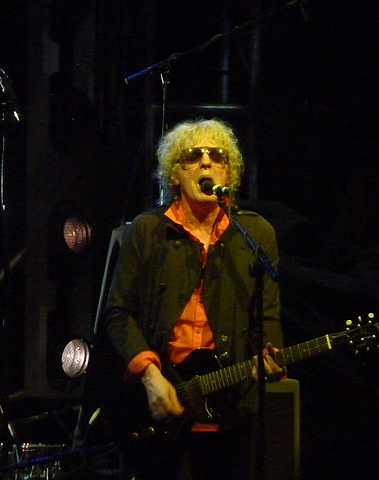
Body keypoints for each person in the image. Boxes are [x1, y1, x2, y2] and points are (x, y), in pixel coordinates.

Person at [102, 118, 285, 480]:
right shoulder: (147, 230)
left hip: (229, 404)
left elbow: (268, 316)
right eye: (192, 156)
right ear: (174, 174)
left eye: (216, 155)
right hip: (158, 397)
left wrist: (271, 353)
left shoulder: (255, 233)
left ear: (228, 173)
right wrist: (150, 376)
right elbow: (118, 313)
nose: (206, 162)